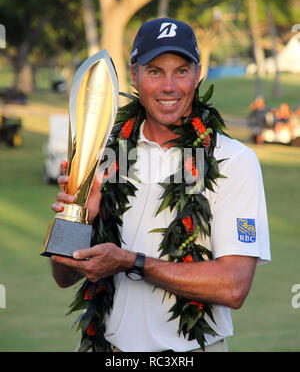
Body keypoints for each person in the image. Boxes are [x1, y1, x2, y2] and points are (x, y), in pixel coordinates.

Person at [50, 18, 271, 352]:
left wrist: (130, 262)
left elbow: (233, 287)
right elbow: (63, 276)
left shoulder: (233, 160)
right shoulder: (105, 152)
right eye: (155, 71)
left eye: (181, 71)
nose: (169, 86)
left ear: (199, 74)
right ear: (134, 74)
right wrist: (78, 215)